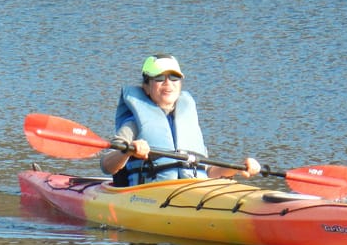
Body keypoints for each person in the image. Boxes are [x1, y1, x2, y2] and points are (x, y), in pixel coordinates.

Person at [100, 54, 261, 186]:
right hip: (148, 197)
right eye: (159, 78)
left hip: (192, 193)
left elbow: (209, 172)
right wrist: (127, 150)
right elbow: (107, 165)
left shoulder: (188, 123)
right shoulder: (133, 124)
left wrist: (237, 168)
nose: (168, 83)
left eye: (174, 77)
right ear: (147, 87)